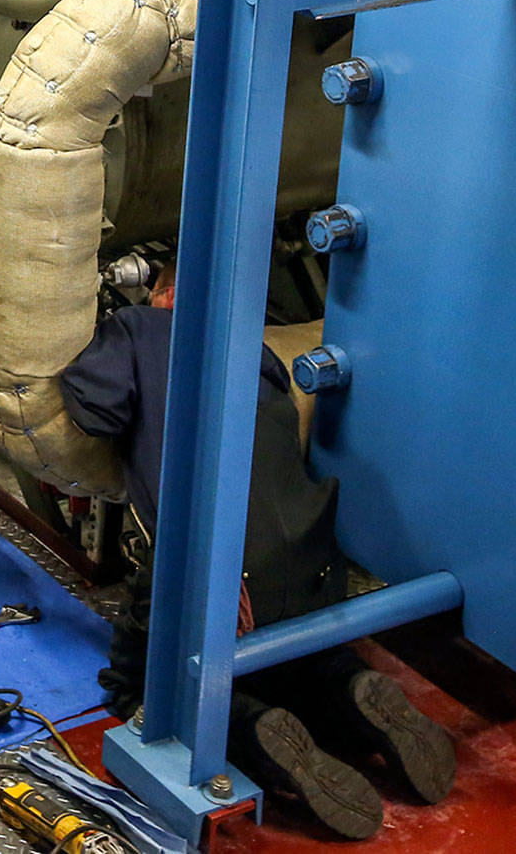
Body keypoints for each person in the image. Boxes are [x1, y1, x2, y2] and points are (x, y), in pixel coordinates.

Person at [62, 268, 455, 840]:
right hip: (314, 546)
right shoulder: (255, 347)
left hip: (226, 562)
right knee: (295, 659)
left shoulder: (136, 327)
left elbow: (94, 410)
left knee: (138, 688)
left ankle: (256, 726)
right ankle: (350, 687)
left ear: (163, 294)